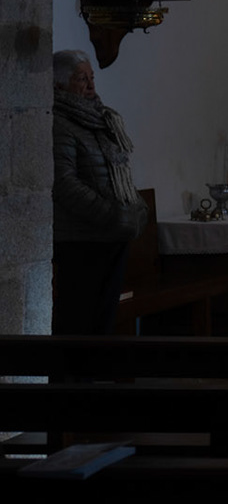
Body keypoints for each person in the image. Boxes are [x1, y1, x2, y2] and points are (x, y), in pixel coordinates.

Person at [51, 49, 147, 334]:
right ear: (59, 85)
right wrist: (113, 215)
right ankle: (73, 378)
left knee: (103, 321)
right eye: (82, 79)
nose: (92, 85)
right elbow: (64, 184)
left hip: (111, 238)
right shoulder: (59, 124)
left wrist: (137, 208)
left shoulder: (102, 120)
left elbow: (121, 174)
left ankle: (93, 376)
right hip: (81, 241)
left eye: (91, 77)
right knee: (78, 321)